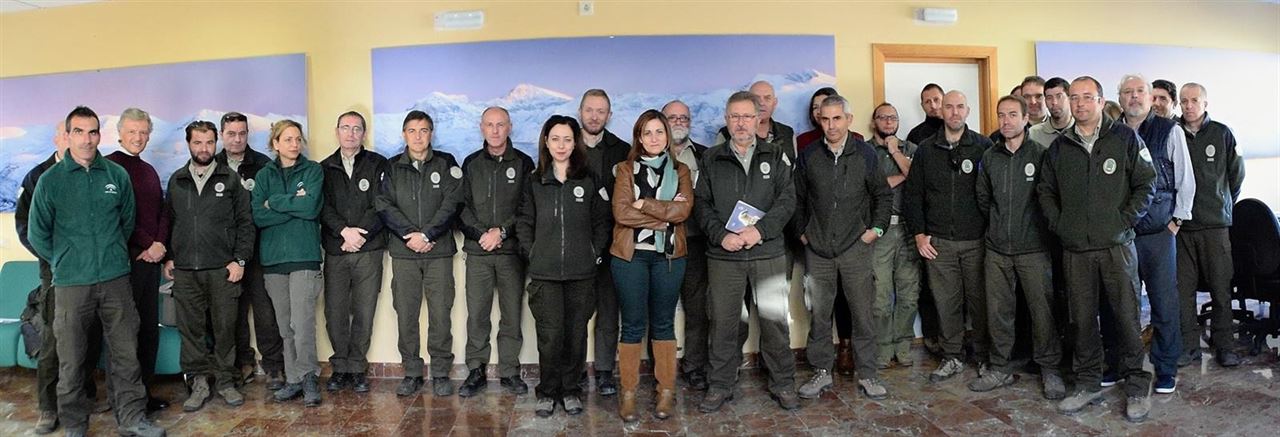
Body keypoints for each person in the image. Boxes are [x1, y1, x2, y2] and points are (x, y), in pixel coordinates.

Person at [28, 106, 165, 437]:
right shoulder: (50, 181)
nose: (87, 139)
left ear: (100, 135)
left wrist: (111, 254)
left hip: (116, 279)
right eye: (79, 132)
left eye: (92, 132)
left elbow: (127, 222)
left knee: (126, 355)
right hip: (72, 284)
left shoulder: (115, 176)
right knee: (72, 361)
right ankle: (75, 425)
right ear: (69, 136)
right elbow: (37, 233)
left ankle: (132, 420)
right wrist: (65, 260)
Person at [1039, 76, 1156, 422]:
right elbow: (1045, 192)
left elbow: (1147, 184)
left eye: (1087, 97)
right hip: (1076, 249)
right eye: (1073, 98)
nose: (1079, 104)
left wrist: (1125, 221)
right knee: (1082, 319)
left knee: (1126, 315)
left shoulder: (1125, 138)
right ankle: (1088, 383)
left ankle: (1136, 385)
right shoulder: (1060, 148)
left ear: (1101, 101)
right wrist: (1061, 226)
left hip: (1117, 247)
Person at [695, 92, 799, 413]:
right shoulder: (711, 158)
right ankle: (721, 384)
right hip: (724, 256)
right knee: (724, 323)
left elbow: (787, 202)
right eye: (734, 117)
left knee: (774, 322)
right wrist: (721, 235)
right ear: (727, 121)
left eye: (746, 116)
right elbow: (701, 205)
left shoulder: (776, 154)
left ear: (758, 119)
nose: (741, 123)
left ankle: (783, 383)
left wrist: (760, 231)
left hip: (767, 253)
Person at [794, 95, 894, 401]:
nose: (831, 125)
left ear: (848, 119)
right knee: (819, 314)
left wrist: (874, 231)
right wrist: (802, 233)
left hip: (855, 248)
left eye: (837, 118)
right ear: (819, 120)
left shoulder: (865, 155)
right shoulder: (809, 155)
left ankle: (868, 374)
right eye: (825, 119)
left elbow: (883, 196)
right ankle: (821, 372)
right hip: (818, 250)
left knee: (863, 314)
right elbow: (796, 199)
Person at [516, 115, 611, 417]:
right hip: (545, 274)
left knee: (575, 334)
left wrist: (594, 253)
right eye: (555, 139)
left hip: (581, 273)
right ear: (546, 141)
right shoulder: (534, 181)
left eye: (567, 139)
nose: (561, 145)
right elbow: (523, 223)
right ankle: (547, 391)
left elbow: (602, 221)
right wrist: (532, 252)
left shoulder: (589, 178)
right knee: (550, 335)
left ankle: (571, 390)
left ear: (575, 142)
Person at [970, 96, 1064, 399]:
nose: (1006, 121)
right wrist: (999, 226)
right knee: (998, 312)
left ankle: (1050, 369)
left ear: (1026, 119)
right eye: (1001, 115)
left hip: (1034, 248)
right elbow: (983, 200)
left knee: (1042, 312)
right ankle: (999, 368)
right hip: (997, 249)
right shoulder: (990, 156)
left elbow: (1050, 199)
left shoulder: (1041, 154)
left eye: (1013, 115)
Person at [1106, 74, 1194, 394]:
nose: (1134, 97)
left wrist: (1176, 222)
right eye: (1127, 92)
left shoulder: (1169, 130)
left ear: (1150, 96)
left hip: (1158, 232)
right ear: (1120, 97)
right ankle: (1121, 364)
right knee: (1120, 304)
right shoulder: (1111, 133)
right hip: (1121, 235)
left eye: (1139, 91)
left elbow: (1185, 178)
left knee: (1164, 304)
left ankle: (1166, 368)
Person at [14, 120, 103, 435]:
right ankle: (48, 408)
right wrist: (55, 257)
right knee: (54, 338)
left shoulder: (96, 171)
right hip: (57, 273)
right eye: (71, 133)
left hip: (93, 271)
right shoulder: (38, 177)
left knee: (89, 334)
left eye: (84, 133)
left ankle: (84, 395)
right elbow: (26, 227)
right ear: (59, 138)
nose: (78, 139)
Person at [163, 121, 255, 411]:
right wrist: (169, 256)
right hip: (187, 271)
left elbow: (245, 223)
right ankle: (198, 383)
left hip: (222, 270)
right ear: (189, 144)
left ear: (216, 143)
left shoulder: (230, 179)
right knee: (191, 331)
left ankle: (227, 382)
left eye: (209, 142)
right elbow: (170, 222)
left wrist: (240, 260)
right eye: (198, 143)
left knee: (225, 328)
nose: (204, 148)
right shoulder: (177, 180)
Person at [610, 110, 695, 421]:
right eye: (648, 133)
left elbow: (683, 211)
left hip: (669, 257)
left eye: (660, 132)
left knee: (663, 323)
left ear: (667, 136)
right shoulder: (624, 169)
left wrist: (644, 205)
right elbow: (621, 214)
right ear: (639, 137)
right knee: (632, 324)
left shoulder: (681, 170)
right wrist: (663, 215)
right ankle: (629, 393)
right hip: (630, 257)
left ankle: (665, 392)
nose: (655, 138)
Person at [903, 90, 993, 382]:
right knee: (946, 303)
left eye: (960, 107)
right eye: (949, 107)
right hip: (938, 243)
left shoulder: (984, 147)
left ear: (968, 111)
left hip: (977, 241)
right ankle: (952, 356)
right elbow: (913, 195)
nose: (954, 112)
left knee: (980, 303)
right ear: (941, 111)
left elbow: (994, 196)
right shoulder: (927, 150)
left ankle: (982, 356)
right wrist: (919, 234)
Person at [376, 110, 464, 398]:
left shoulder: (446, 163)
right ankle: (412, 372)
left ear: (431, 134)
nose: (418, 136)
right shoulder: (391, 167)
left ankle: (440, 373)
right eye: (412, 131)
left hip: (438, 252)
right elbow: (384, 204)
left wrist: (428, 234)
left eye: (424, 130)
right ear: (404, 134)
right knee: (406, 314)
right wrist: (410, 235)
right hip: (404, 253)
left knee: (441, 314)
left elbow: (452, 203)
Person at [457, 106, 535, 397]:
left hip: (511, 252)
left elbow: (527, 208)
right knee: (477, 313)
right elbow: (461, 207)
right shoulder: (471, 163)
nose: (495, 130)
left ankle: (509, 372)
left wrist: (501, 232)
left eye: (500, 124)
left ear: (509, 127)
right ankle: (475, 370)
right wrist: (482, 235)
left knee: (511, 314)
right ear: (481, 128)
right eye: (489, 125)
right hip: (478, 252)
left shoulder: (525, 163)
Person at [251, 119, 325, 407]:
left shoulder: (313, 170)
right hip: (273, 261)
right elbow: (258, 215)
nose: (294, 144)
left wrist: (276, 203)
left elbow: (310, 208)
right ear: (275, 144)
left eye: (298, 139)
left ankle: (308, 378)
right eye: (288, 139)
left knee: (302, 322)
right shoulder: (263, 175)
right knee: (285, 325)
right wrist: (292, 202)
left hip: (304, 257)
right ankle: (293, 379)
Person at [104, 108, 170, 413]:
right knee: (124, 333)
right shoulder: (110, 168)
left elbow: (162, 212)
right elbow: (117, 215)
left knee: (148, 330)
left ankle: (143, 394)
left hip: (150, 261)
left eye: (144, 132)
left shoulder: (148, 170)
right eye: (132, 131)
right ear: (120, 133)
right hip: (124, 262)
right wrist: (148, 243)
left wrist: (160, 246)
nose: (138, 137)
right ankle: (123, 398)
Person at [1176, 82, 1246, 369]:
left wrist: (1223, 203)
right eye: (1184, 101)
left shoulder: (1222, 133)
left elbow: (1236, 175)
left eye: (1194, 100)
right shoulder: (1174, 133)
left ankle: (1225, 345)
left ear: (1205, 103)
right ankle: (1189, 346)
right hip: (1182, 227)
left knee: (1221, 290)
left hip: (1215, 226)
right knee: (1183, 292)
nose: (1188, 106)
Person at [318, 111, 389, 394]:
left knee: (364, 310)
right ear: (336, 132)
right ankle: (340, 368)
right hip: (337, 249)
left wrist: (359, 233)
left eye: (356, 128)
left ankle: (357, 368)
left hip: (368, 249)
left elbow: (382, 203)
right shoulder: (322, 168)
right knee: (335, 312)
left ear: (364, 133)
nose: (350, 133)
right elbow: (322, 206)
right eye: (345, 128)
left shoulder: (378, 164)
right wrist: (343, 232)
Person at [216, 112, 285, 389]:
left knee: (266, 313)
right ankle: (242, 363)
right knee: (232, 314)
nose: (237, 139)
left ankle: (274, 367)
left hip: (259, 251)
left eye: (242, 133)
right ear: (222, 135)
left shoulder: (263, 165)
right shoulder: (213, 164)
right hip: (223, 254)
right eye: (231, 133)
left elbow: (274, 205)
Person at [578, 89, 630, 396]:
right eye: (589, 110)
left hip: (613, 245)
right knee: (578, 311)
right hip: (576, 245)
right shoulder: (567, 146)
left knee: (609, 311)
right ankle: (576, 369)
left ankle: (606, 370)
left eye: (601, 111)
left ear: (608, 115)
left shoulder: (622, 150)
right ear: (580, 112)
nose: (594, 116)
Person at [661, 100, 713, 391]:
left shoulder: (705, 157)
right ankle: (662, 367)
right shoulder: (650, 156)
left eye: (684, 117)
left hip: (694, 242)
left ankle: (694, 366)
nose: (678, 122)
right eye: (672, 117)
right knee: (660, 309)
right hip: (659, 242)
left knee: (696, 309)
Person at [866, 103, 922, 369]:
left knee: (909, 294)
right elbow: (872, 187)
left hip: (910, 230)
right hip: (880, 231)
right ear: (873, 121)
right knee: (880, 296)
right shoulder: (865, 151)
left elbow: (918, 176)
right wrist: (903, 174)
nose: (888, 122)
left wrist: (895, 152)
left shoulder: (911, 149)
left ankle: (903, 345)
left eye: (893, 118)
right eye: (883, 117)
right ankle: (883, 347)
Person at [1028, 77, 1075, 150]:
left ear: (1069, 98)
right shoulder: (1033, 134)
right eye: (1049, 98)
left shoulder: (1081, 130)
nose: (1054, 102)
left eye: (1059, 96)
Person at [795, 87, 839, 153]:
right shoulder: (802, 140)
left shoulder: (855, 139)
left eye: (823, 106)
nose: (819, 112)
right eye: (815, 107)